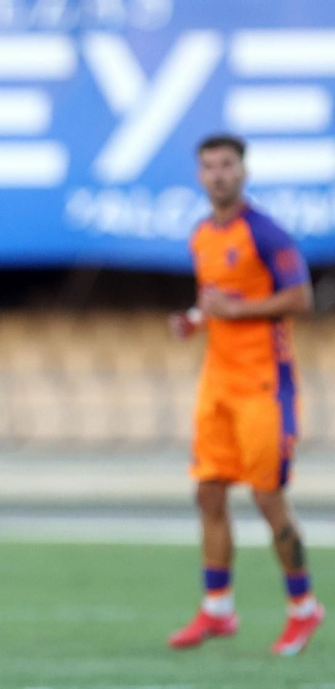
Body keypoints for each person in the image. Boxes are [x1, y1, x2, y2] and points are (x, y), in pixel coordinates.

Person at [167, 133, 322, 656]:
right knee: (208, 492)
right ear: (199, 175)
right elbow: (215, 299)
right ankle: (218, 609)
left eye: (227, 165)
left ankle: (304, 608)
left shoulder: (265, 233)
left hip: (262, 383)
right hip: (218, 380)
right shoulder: (202, 236)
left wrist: (240, 313)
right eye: (208, 165)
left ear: (244, 172)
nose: (218, 174)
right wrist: (194, 319)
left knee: (267, 497)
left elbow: (301, 296)